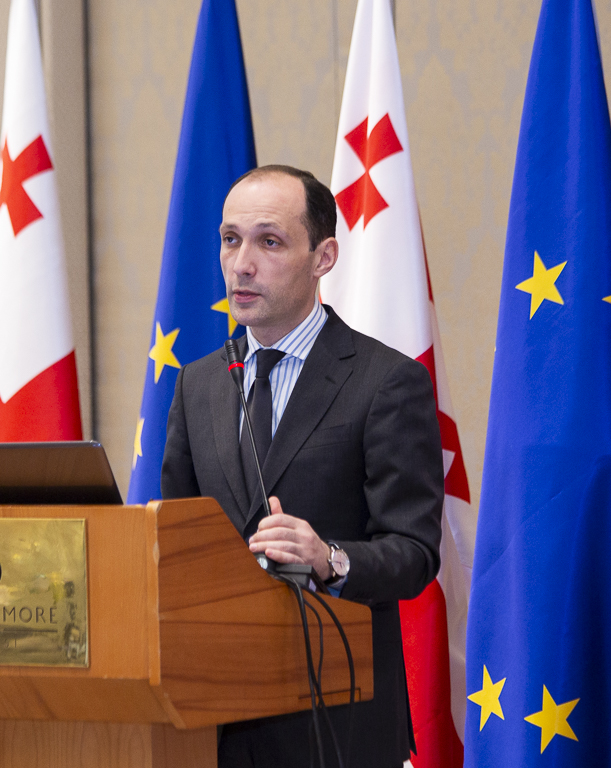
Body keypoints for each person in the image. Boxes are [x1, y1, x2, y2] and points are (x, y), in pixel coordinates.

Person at [161, 164, 444, 768]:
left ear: (324, 258)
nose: (241, 264)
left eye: (269, 241)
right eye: (230, 239)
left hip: (338, 723)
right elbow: (175, 543)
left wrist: (328, 558)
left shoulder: (386, 382)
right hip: (213, 721)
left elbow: (415, 552)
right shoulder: (198, 385)